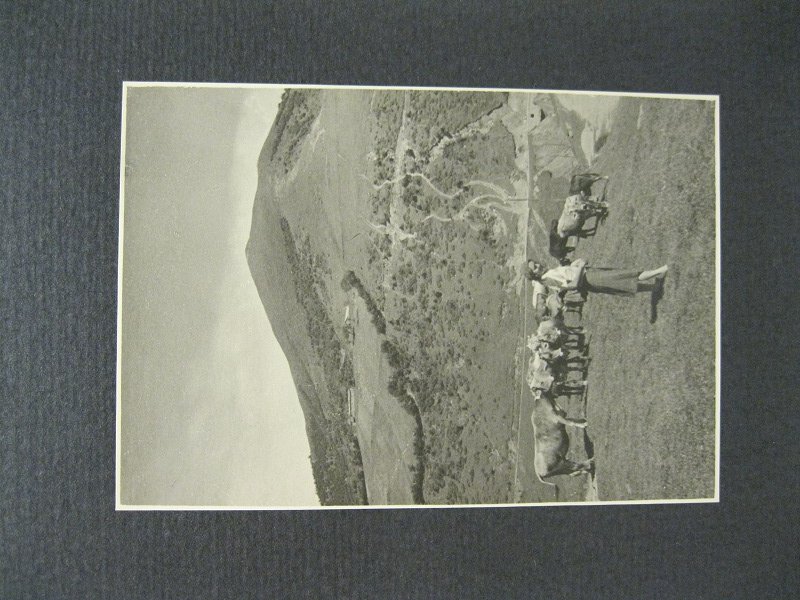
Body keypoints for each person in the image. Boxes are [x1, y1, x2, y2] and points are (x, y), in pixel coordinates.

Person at [526, 258, 667, 297]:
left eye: (536, 263)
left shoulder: (548, 274)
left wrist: (574, 264)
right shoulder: (549, 279)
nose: (538, 265)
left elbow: (568, 275)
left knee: (623, 281)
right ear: (535, 275)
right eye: (535, 268)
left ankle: (654, 287)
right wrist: (580, 268)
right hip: (590, 279)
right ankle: (661, 270)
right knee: (626, 276)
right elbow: (573, 285)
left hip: (590, 275)